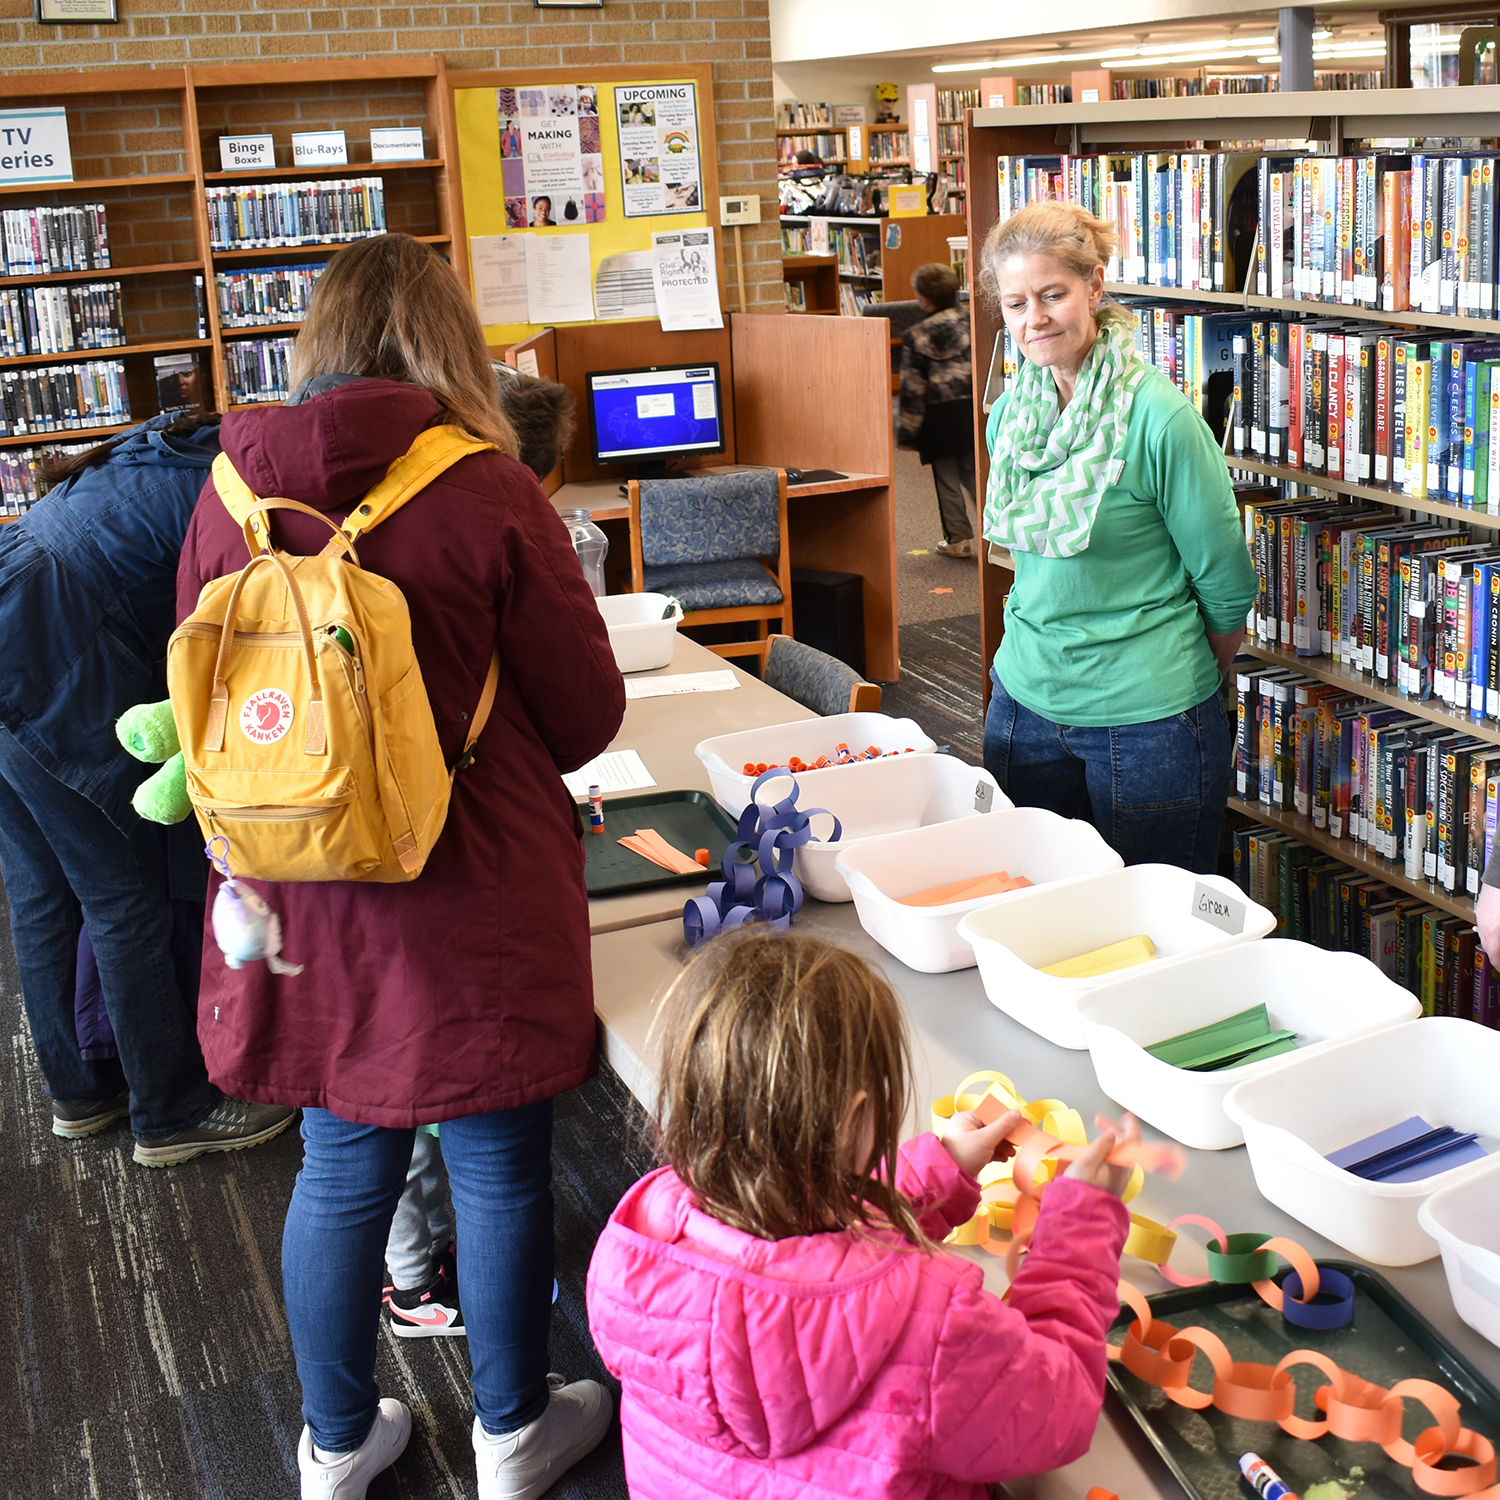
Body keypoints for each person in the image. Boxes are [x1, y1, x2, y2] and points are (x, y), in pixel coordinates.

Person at [175, 233, 625, 1499]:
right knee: (495, 1162)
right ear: (449, 337)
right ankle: (512, 1432)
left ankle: (333, 1446)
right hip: (468, 877)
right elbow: (586, 713)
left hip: (298, 880)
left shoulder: (225, 487)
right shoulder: (484, 485)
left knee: (338, 1159)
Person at [587, 929, 1135, 1500]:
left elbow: (800, 1267)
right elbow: (1057, 1409)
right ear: (852, 1121)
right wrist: (1080, 1228)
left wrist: (938, 1171)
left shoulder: (639, 1243)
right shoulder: (934, 1322)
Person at [0, 415, 298, 1165]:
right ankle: (170, 1111)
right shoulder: (248, 490)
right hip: (52, 645)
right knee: (121, 890)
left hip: (17, 603)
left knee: (38, 882)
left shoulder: (175, 447)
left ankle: (80, 1091)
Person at [382, 363, 578, 1341]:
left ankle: (413, 1278)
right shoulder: (497, 504)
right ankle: (494, 1385)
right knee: (480, 1134)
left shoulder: (270, 501)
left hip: (354, 864)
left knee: (373, 1118)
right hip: (462, 859)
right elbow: (578, 707)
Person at [978, 201, 1256, 873]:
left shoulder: (1159, 417)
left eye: (1052, 295)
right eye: (1015, 304)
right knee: (1036, 906)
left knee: (1152, 934)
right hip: (1024, 702)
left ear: (1094, 288)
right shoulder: (1012, 414)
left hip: (1148, 720)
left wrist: (1167, 678)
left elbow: (1227, 584)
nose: (1034, 319)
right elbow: (1029, 564)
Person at [897, 262, 977, 559]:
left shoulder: (917, 337)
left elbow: (913, 390)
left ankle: (957, 540)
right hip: (970, 410)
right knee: (976, 474)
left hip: (937, 419)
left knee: (946, 479)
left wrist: (908, 433)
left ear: (923, 300)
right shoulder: (971, 321)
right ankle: (1000, 535)